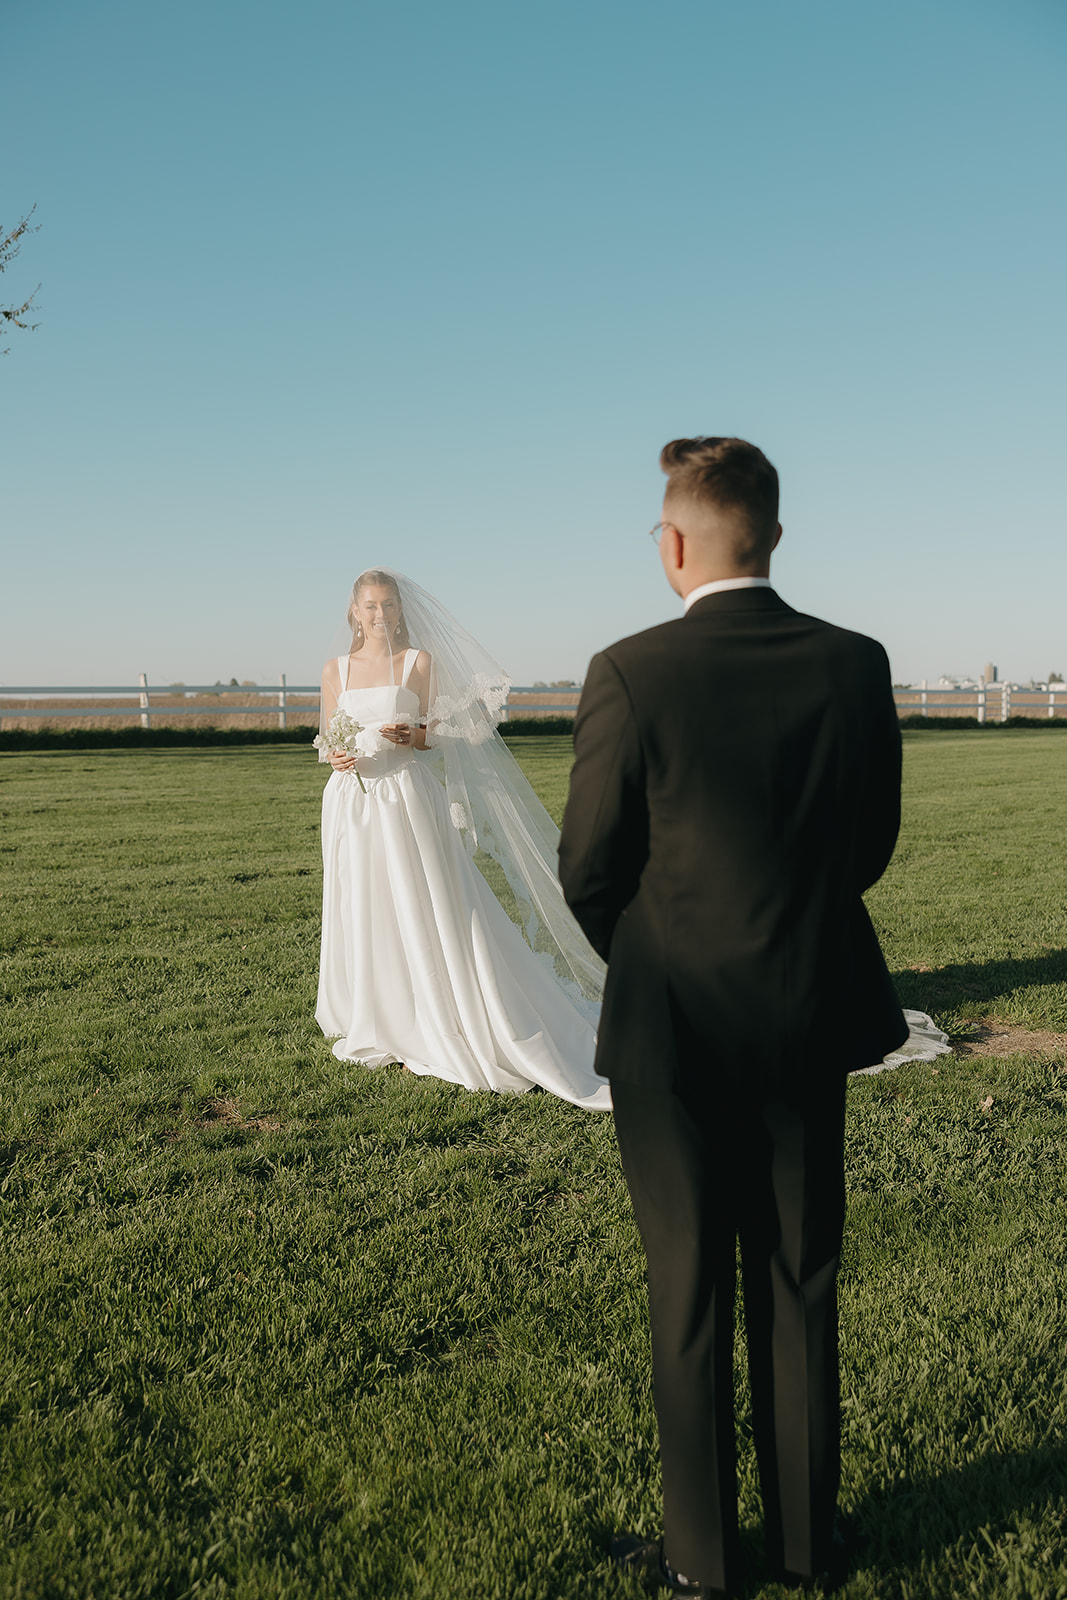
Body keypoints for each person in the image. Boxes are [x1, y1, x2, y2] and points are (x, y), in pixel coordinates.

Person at [558, 438, 913, 1596]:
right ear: (769, 534)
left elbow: (589, 869)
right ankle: (813, 1547)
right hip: (808, 1012)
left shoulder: (626, 670)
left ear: (672, 544)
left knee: (689, 1284)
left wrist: (658, 955)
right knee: (801, 1279)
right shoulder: (854, 664)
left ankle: (702, 1563)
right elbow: (867, 847)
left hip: (673, 1028)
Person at [315, 567, 611, 1110]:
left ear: (400, 609)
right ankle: (381, 1013)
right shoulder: (335, 669)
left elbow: (456, 732)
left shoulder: (419, 663)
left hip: (406, 796)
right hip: (352, 803)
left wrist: (417, 735)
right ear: (354, 613)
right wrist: (333, 755)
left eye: (388, 605)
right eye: (370, 607)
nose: (380, 615)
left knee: (425, 902)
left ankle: (438, 1014)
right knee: (366, 904)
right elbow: (324, 738)